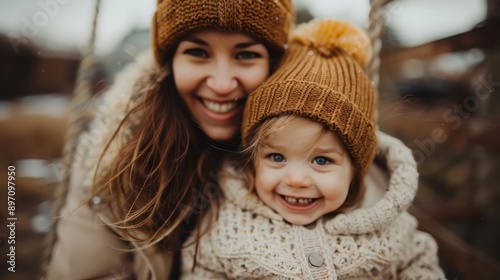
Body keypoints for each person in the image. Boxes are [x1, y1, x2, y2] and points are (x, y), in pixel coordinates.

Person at [42, 0, 295, 279]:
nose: (222, 84)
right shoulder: (111, 157)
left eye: (246, 55)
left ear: (274, 65)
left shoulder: (318, 152)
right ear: (170, 62)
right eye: (198, 52)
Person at [181, 19, 446, 279]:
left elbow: (419, 261)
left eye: (321, 161)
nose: (296, 180)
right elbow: (200, 268)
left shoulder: (386, 223)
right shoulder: (227, 223)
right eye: (276, 157)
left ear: (355, 168)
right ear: (253, 160)